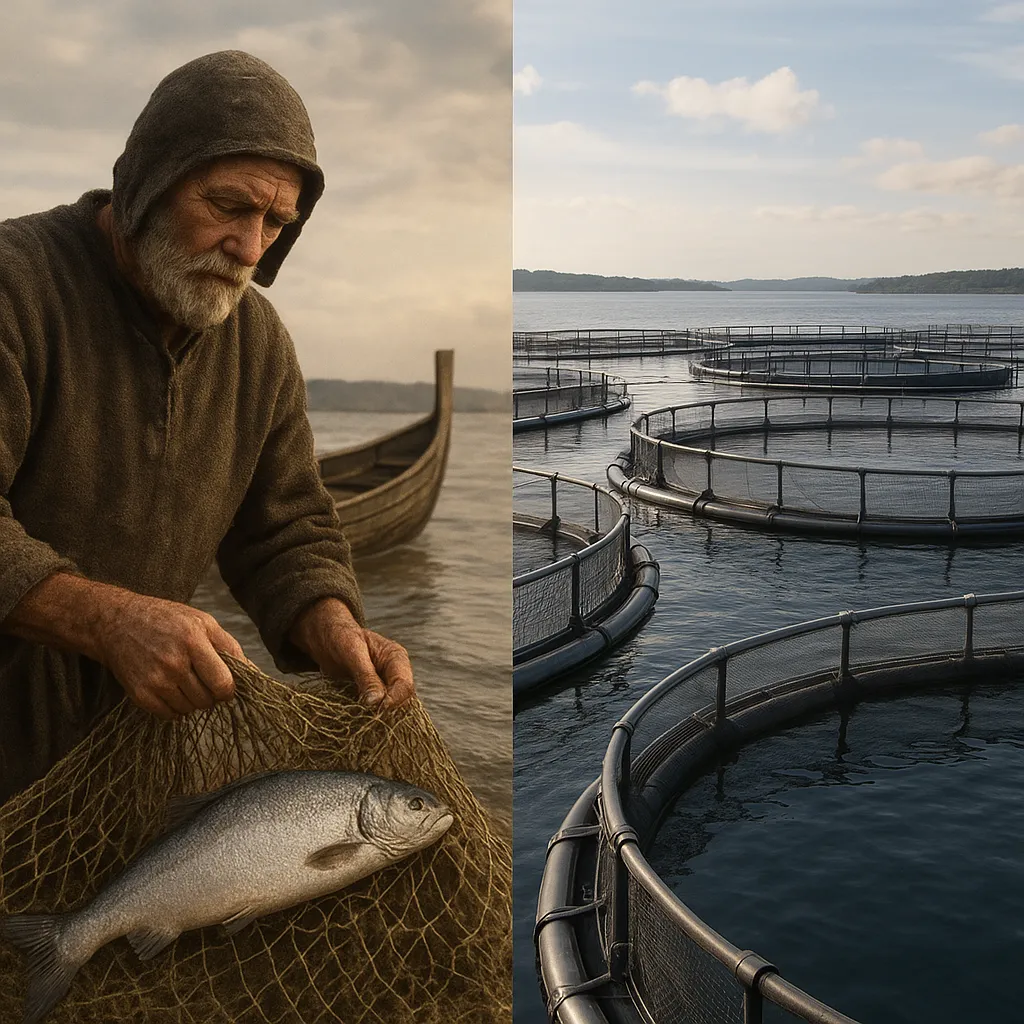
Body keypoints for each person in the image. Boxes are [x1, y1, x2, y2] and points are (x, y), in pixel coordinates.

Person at [0, 50, 415, 804]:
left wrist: (333, 628)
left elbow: (285, 528)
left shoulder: (256, 343)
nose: (250, 248)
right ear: (148, 183)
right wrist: (110, 620)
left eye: (275, 223)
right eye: (228, 206)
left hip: (126, 768)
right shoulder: (15, 288)